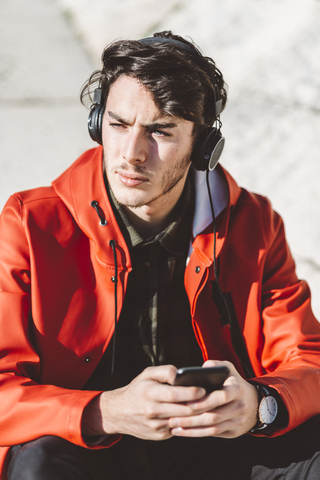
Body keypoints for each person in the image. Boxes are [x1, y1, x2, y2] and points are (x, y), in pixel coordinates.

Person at [1, 30, 320, 480]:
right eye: (118, 125)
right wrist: (103, 411)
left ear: (202, 145)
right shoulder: (28, 224)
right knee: (37, 461)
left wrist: (263, 405)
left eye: (160, 131)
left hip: (215, 448)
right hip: (91, 449)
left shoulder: (253, 223)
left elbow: (308, 360)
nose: (132, 155)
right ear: (97, 124)